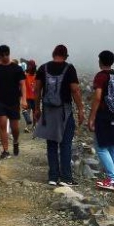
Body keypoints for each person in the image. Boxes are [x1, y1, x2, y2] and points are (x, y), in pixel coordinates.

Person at [33, 45, 84, 186]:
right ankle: (66, 178)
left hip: (48, 110)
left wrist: (37, 108)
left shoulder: (43, 68)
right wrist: (81, 109)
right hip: (64, 111)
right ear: (65, 56)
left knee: (51, 144)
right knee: (66, 144)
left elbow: (37, 90)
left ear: (53, 54)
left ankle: (53, 177)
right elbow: (75, 90)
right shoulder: (69, 68)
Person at [89, 50, 114, 191]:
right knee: (113, 147)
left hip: (104, 116)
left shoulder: (101, 76)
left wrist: (91, 118)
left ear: (100, 61)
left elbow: (98, 97)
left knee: (100, 147)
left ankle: (112, 179)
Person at [0, 44, 26, 158]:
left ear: (9, 54)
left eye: (7, 54)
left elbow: (22, 84)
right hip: (0, 101)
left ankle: (15, 141)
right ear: (0, 56)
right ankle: (5, 150)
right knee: (2, 124)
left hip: (13, 102)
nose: (5, 57)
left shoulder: (17, 68)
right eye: (3, 55)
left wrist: (24, 99)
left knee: (15, 128)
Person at [22, 59, 37, 131]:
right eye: (28, 65)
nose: (29, 66)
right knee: (27, 112)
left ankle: (34, 125)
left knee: (34, 111)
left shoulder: (36, 76)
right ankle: (27, 126)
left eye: (30, 65)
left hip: (35, 97)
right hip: (28, 96)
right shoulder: (25, 75)